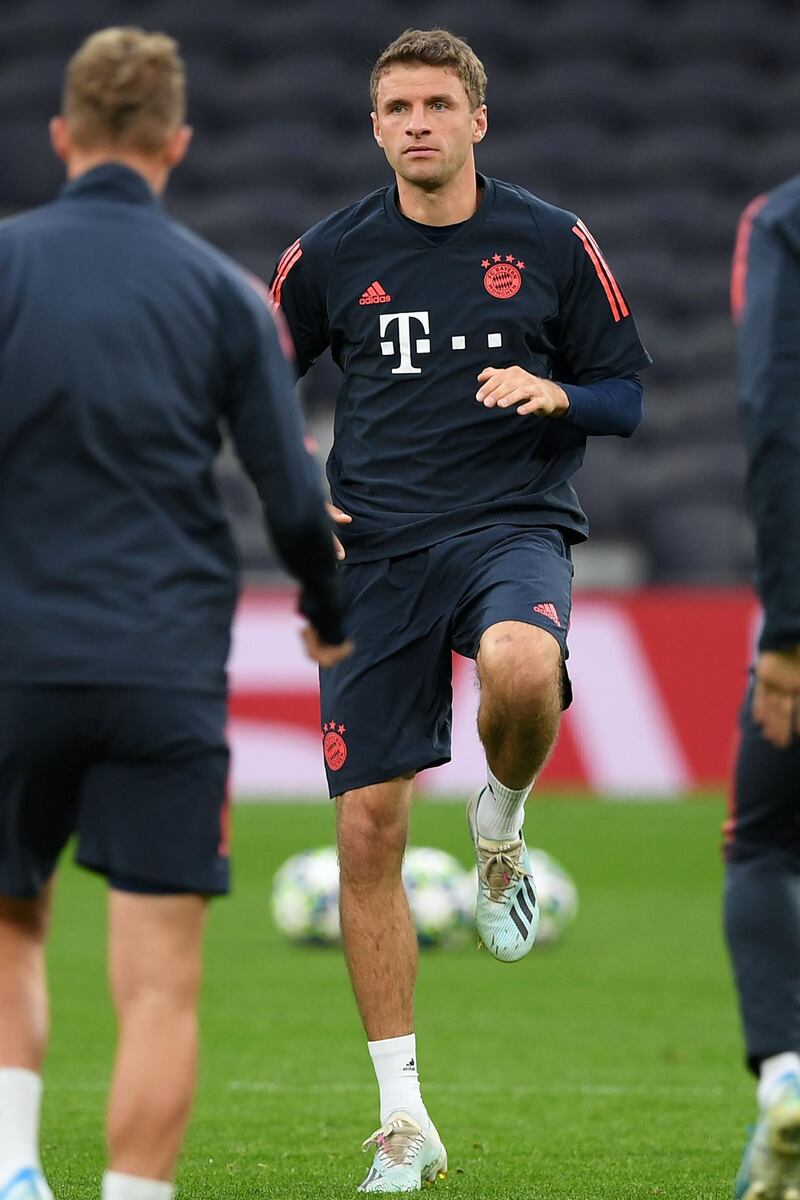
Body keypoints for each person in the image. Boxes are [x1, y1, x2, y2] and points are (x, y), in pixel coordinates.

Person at [270, 27, 650, 1192]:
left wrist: (557, 392)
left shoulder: (547, 241)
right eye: (398, 107)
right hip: (373, 556)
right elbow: (240, 382)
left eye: (440, 103)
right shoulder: (330, 256)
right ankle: (403, 1121)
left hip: (509, 526)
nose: (419, 122)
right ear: (375, 126)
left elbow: (626, 394)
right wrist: (294, 487)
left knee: (522, 675)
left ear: (478, 119)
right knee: (367, 830)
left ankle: (498, 832)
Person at [0, 26, 350, 1200]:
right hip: (160, 666)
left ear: (62, 136)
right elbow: (292, 495)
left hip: (11, 662)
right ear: (177, 143)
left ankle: (8, 1172)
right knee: (158, 983)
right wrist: (327, 610)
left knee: (11, 925)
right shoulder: (220, 294)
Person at [725, 182, 800, 1200]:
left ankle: (786, 1072)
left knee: (764, 841)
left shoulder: (780, 219)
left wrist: (786, 631)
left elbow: (773, 416)